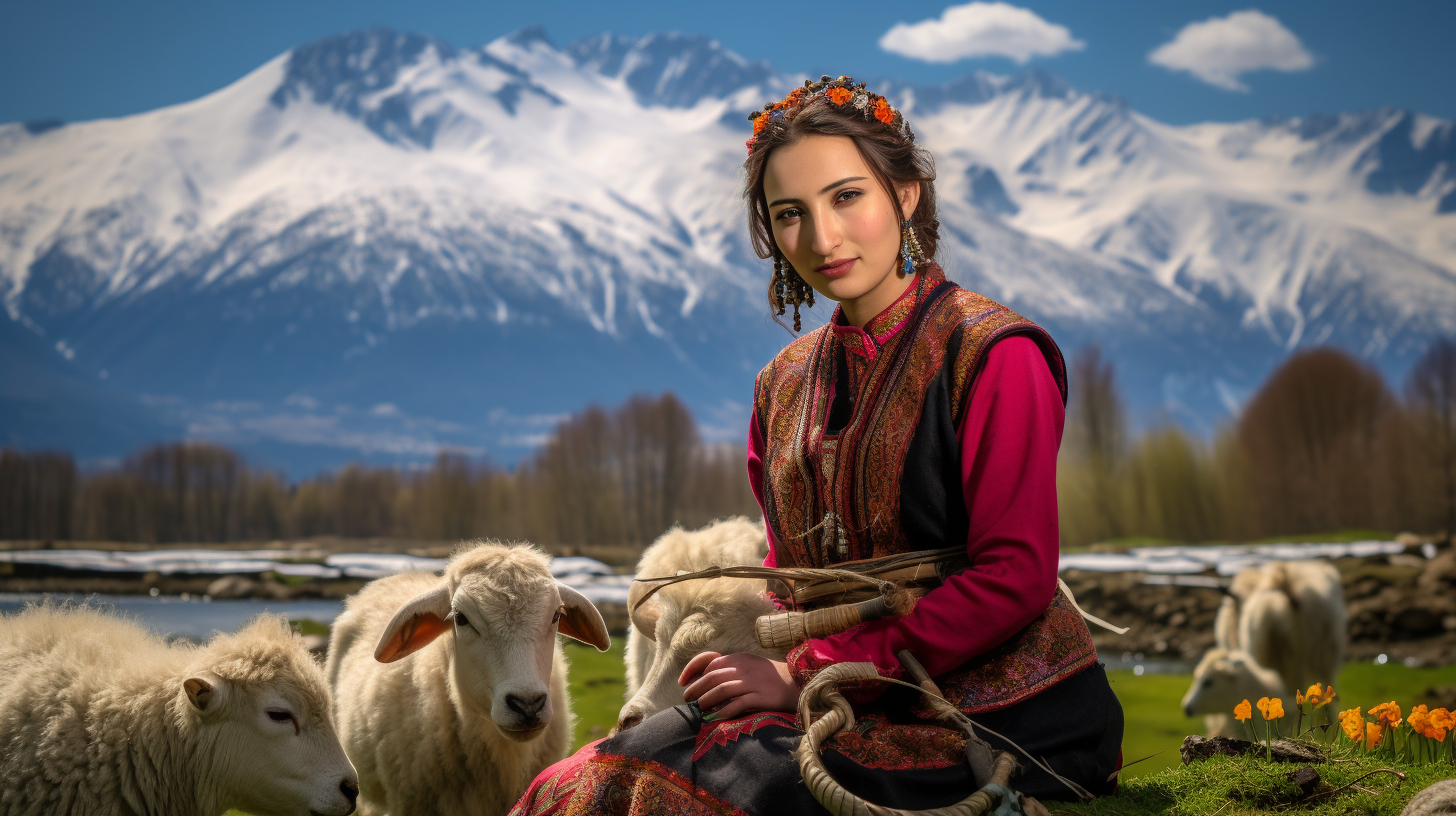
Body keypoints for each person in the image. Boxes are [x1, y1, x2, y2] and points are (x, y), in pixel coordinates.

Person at [510, 76, 1123, 816]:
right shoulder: (782, 385)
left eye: (846, 197)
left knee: (704, 791)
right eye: (790, 214)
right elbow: (787, 575)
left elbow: (1014, 575)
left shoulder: (994, 356)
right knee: (579, 779)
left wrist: (812, 675)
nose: (823, 239)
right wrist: (777, 670)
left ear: (905, 195)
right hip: (830, 696)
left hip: (1006, 715)